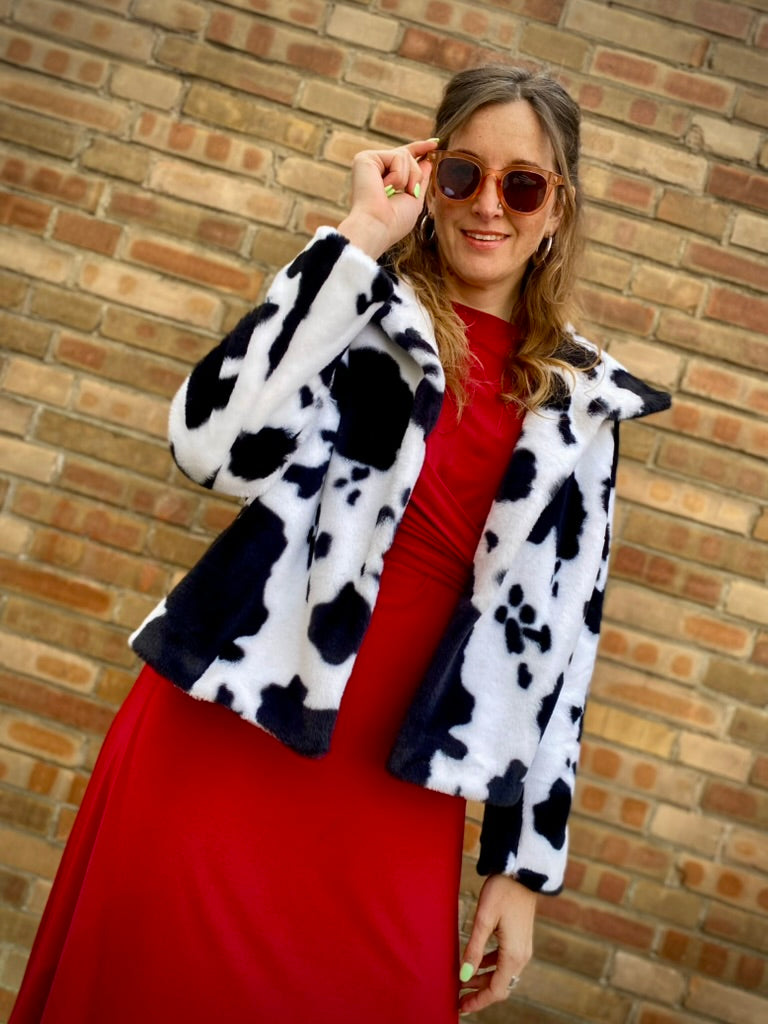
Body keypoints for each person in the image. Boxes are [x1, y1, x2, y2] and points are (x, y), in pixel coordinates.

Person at [11, 64, 670, 1023]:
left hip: (399, 787)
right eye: (463, 174)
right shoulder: (357, 309)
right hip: (228, 737)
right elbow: (208, 447)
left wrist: (522, 865)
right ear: (429, 178)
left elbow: (564, 647)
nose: (489, 205)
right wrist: (361, 234)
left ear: (557, 207)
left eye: (523, 184)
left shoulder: (582, 407)